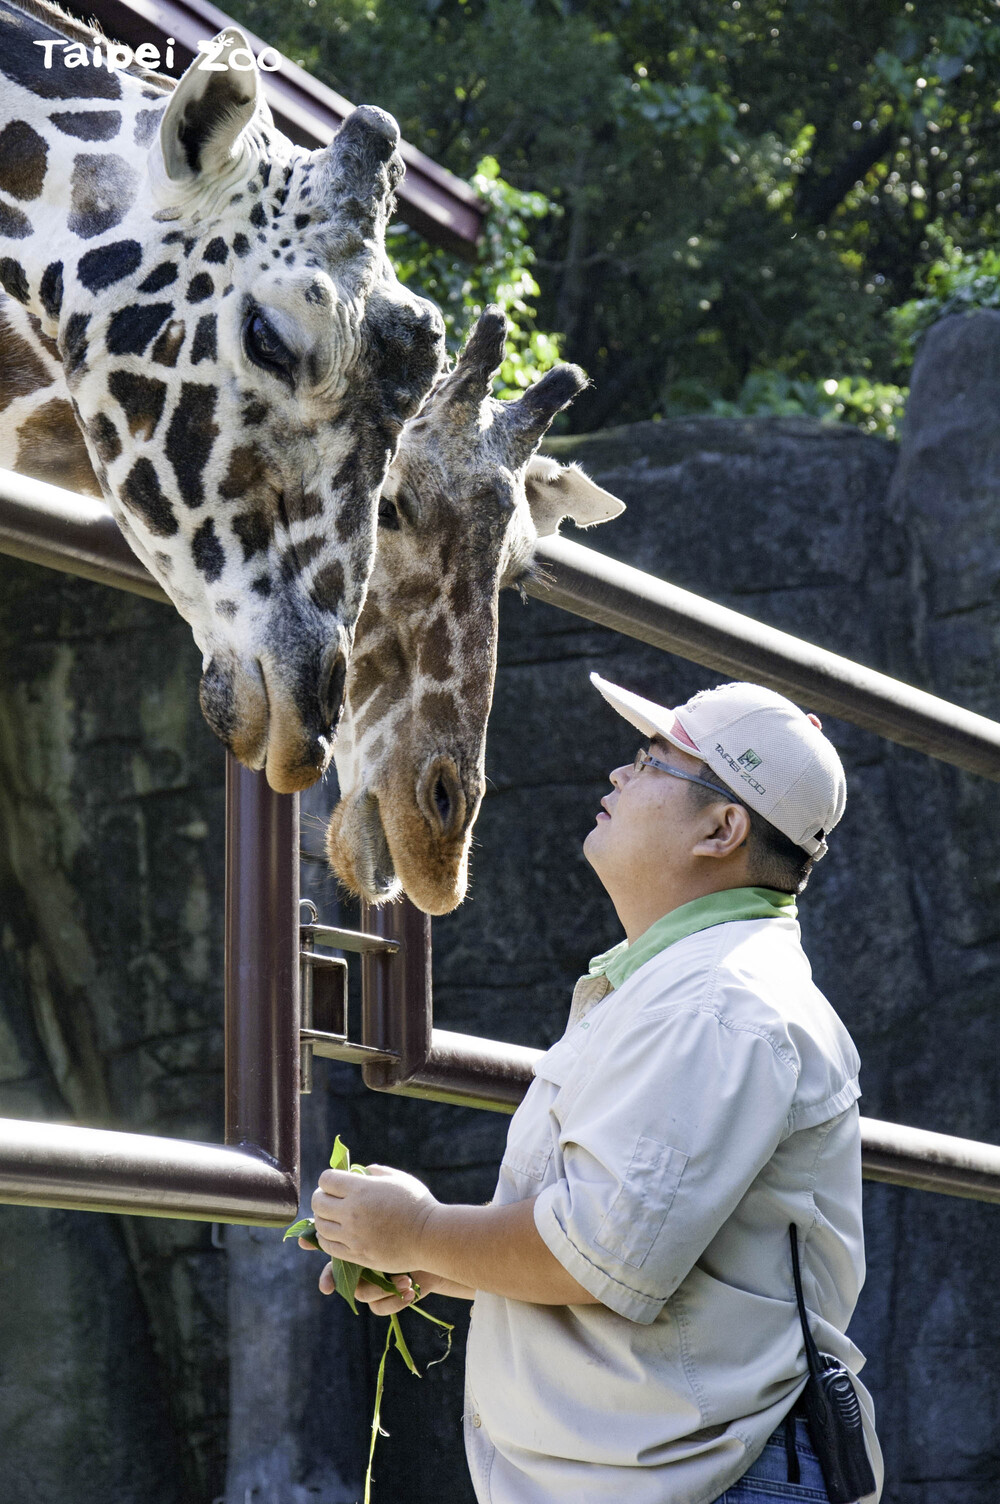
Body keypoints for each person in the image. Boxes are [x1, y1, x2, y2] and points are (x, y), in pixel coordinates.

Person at [303, 674, 883, 1504]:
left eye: (652, 762)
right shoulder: (685, 986)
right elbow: (643, 1259)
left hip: (714, 1483)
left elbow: (599, 1256)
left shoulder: (718, 1006)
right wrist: (426, 1257)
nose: (619, 773)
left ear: (723, 828)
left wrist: (421, 1231)